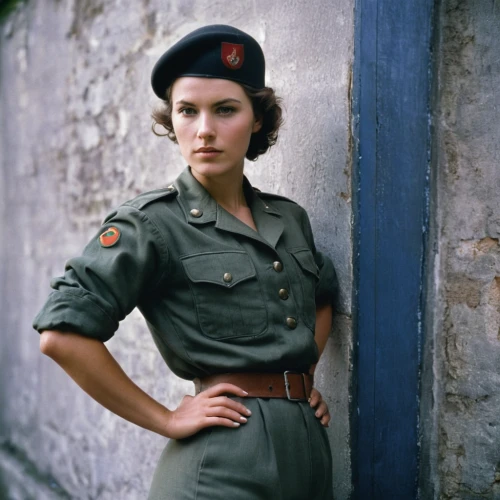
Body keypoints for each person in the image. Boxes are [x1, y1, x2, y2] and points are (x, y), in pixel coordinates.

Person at [33, 24, 337, 499]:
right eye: (187, 111)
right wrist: (167, 418)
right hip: (220, 466)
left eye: (225, 110)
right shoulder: (149, 224)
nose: (204, 130)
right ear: (170, 119)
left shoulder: (289, 218)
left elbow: (322, 298)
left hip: (311, 456)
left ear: (257, 119)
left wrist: (301, 378)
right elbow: (62, 335)